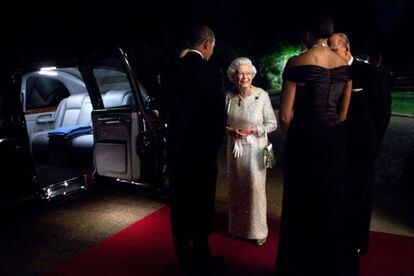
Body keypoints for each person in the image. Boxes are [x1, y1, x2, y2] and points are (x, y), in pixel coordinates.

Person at [275, 15, 359, 275]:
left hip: (305, 141)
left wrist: (297, 139)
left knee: (302, 205)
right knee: (332, 203)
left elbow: (286, 116)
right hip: (335, 142)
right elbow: (344, 113)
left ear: (307, 32)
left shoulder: (296, 62)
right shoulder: (343, 64)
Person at [166, 25, 227, 273]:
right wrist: (213, 147)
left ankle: (183, 256)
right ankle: (201, 253)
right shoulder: (211, 71)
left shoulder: (172, 69)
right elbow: (217, 117)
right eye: (213, 45)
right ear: (207, 44)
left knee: (180, 202)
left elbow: (165, 107)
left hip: (178, 150)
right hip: (201, 152)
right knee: (202, 203)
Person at [328, 32, 392, 256]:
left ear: (347, 49)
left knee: (361, 195)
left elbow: (383, 111)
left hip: (362, 147)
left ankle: (357, 243)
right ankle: (339, 237)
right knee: (338, 193)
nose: (330, 53)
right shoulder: (330, 74)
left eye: (333, 48)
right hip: (336, 146)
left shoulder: (370, 72)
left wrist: (372, 141)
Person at [225, 57, 277, 246]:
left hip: (255, 151)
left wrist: (255, 130)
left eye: (248, 73)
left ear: (252, 75)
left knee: (254, 190)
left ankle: (258, 231)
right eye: (241, 73)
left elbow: (272, 123)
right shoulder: (228, 97)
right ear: (234, 76)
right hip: (234, 151)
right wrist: (231, 131)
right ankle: (236, 228)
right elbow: (221, 123)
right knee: (236, 188)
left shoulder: (261, 95)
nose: (245, 77)